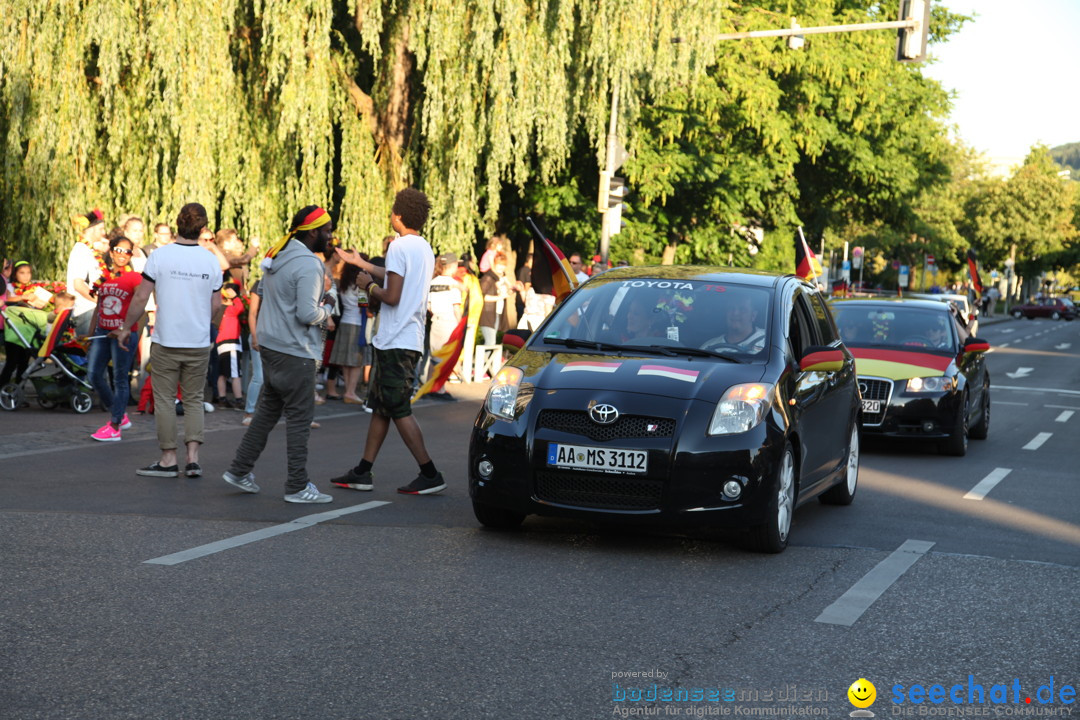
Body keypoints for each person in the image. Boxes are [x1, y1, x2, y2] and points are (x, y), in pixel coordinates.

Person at [330, 187, 445, 495]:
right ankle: (363, 471)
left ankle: (430, 473)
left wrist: (369, 286)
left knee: (396, 406)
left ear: (398, 215)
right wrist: (363, 264)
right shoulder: (423, 247)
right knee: (382, 406)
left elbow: (391, 295)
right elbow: (396, 276)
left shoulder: (397, 246)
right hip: (407, 337)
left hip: (396, 338)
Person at [221, 205, 337, 504]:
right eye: (326, 231)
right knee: (300, 419)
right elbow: (307, 313)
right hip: (295, 350)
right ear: (313, 232)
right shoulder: (310, 264)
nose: (329, 236)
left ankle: (239, 469)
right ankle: (298, 486)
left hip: (271, 346)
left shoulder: (278, 255)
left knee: (266, 414)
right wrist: (329, 307)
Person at [112, 202, 223, 479]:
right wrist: (203, 324)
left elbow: (141, 297)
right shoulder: (210, 259)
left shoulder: (160, 256)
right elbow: (217, 303)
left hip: (166, 339)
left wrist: (126, 327)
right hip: (197, 341)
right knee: (195, 399)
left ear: (177, 224)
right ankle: (194, 459)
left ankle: (168, 459)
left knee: (164, 400)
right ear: (202, 227)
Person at [87, 236, 142, 441]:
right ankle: (119, 413)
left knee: (120, 379)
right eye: (118, 250)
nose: (122, 255)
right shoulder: (105, 277)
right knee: (93, 375)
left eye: (127, 251)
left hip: (124, 335)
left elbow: (140, 308)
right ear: (111, 252)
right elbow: (99, 306)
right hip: (102, 332)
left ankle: (115, 425)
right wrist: (91, 333)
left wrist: (123, 328)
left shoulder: (135, 278)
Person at [327, 250, 368, 405]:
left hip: (344, 322)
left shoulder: (344, 284)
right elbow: (364, 305)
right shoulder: (361, 286)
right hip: (357, 324)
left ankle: (347, 391)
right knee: (356, 361)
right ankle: (351, 391)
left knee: (345, 361)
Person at [425, 252, 463, 400]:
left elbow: (428, 305)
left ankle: (429, 386)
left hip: (435, 322)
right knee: (445, 358)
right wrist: (460, 326)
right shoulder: (452, 284)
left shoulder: (432, 282)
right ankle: (440, 389)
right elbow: (456, 308)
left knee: (434, 356)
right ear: (453, 266)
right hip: (449, 322)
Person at [67, 209, 109, 336]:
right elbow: (79, 285)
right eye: (101, 229)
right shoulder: (81, 250)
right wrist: (99, 302)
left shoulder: (90, 251)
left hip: (92, 310)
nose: (104, 232)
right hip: (85, 311)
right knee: (89, 350)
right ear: (91, 229)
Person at [214, 282, 245, 408]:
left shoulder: (218, 311)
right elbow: (240, 307)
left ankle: (222, 399)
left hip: (221, 344)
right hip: (231, 344)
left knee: (222, 373)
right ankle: (239, 400)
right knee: (235, 373)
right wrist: (235, 297)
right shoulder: (229, 309)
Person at [479, 253, 510, 346]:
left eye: (503, 265)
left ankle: (487, 360)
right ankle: (484, 360)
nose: (501, 268)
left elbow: (509, 289)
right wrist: (500, 297)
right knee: (490, 342)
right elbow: (482, 297)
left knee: (492, 342)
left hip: (497, 312)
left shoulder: (500, 278)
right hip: (487, 313)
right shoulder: (488, 278)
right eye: (499, 265)